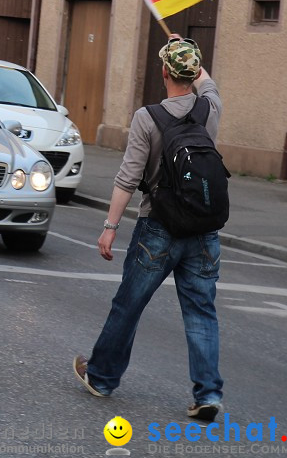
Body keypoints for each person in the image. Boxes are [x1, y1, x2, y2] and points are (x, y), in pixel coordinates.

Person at [73, 36, 223, 423]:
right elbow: (207, 81)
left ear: (164, 73)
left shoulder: (147, 117)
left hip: (159, 227)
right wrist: (187, 48)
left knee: (129, 304)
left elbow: (127, 179)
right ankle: (207, 394)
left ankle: (103, 377)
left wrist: (109, 227)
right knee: (201, 312)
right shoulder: (211, 108)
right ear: (194, 72)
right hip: (204, 231)